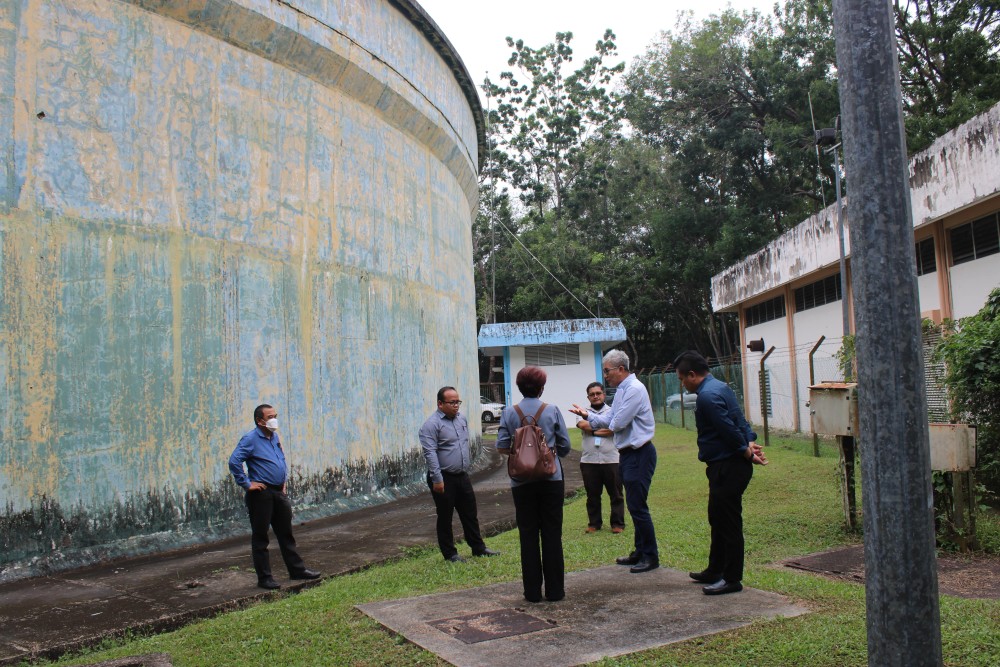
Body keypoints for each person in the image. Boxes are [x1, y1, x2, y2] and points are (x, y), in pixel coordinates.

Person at [674, 350, 768, 595]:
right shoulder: (720, 387)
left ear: (692, 375)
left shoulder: (707, 396)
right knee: (717, 517)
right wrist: (750, 441)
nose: (682, 385)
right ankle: (715, 569)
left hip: (728, 466)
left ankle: (731, 578)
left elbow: (727, 428)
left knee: (728, 522)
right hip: (724, 465)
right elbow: (739, 419)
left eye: (682, 379)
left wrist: (747, 452)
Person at [570, 350, 659, 573]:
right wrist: (587, 415)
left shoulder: (634, 389)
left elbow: (616, 423)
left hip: (639, 453)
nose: (605, 375)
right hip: (628, 454)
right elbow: (609, 418)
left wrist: (595, 425)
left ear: (620, 369)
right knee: (634, 505)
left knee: (638, 506)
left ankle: (650, 556)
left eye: (607, 370)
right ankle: (640, 551)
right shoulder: (621, 390)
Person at [496, 366, 572, 603]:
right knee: (552, 533)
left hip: (521, 482)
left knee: (527, 535)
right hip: (551, 479)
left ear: (519, 387)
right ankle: (555, 591)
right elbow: (565, 445)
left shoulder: (509, 412)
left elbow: (501, 445)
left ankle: (532, 593)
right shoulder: (552, 410)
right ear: (541, 388)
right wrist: (550, 454)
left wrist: (521, 454)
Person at [229, 404, 321, 590]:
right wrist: (247, 484)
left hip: (278, 492)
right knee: (261, 537)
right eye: (270, 417)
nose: (274, 420)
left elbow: (280, 459)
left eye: (275, 416)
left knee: (286, 534)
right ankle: (265, 578)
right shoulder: (250, 439)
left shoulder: (274, 437)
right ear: (259, 421)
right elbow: (234, 461)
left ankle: (297, 570)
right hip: (261, 494)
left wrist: (283, 481)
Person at [419, 386, 500, 563]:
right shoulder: (431, 425)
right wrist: (437, 479)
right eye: (452, 402)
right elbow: (430, 454)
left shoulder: (461, 419)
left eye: (458, 402)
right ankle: (450, 554)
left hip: (462, 475)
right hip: (443, 477)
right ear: (440, 404)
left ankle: (478, 548)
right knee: (445, 516)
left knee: (470, 513)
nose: (456, 405)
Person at [576, 382, 625, 534]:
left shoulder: (613, 411)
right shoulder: (582, 412)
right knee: (592, 495)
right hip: (589, 461)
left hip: (612, 459)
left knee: (616, 494)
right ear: (588, 397)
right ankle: (594, 524)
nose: (595, 396)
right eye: (592, 394)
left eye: (598, 393)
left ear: (604, 394)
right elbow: (583, 425)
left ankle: (617, 524)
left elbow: (613, 429)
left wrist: (594, 430)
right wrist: (604, 428)